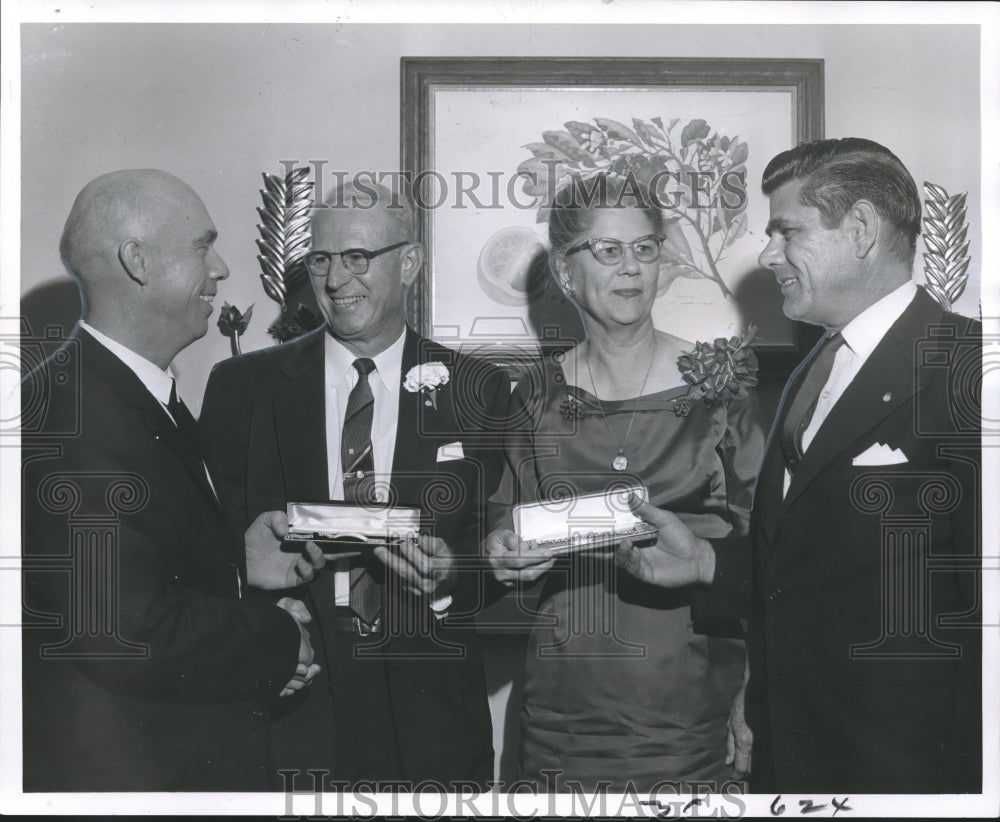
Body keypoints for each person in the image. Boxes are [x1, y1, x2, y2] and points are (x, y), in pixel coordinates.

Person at [616, 138, 982, 793]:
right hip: (795, 753)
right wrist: (707, 564)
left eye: (787, 231)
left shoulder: (967, 370)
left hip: (907, 773)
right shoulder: (816, 366)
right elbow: (811, 562)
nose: (767, 255)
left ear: (863, 229)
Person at [21, 169, 325, 792]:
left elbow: (138, 566)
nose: (221, 269)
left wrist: (238, 562)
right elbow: (123, 629)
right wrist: (276, 636)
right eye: (200, 246)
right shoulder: (70, 413)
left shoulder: (129, 393)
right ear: (137, 261)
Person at [199, 182, 511, 790]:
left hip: (434, 714)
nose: (336, 279)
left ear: (410, 263)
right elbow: (211, 547)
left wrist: (452, 575)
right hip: (294, 694)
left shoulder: (480, 389)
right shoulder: (243, 388)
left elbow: (497, 550)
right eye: (322, 259)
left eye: (357, 258)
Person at [484, 173, 765, 792]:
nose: (632, 268)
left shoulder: (720, 387)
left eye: (645, 247)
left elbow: (771, 557)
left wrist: (759, 691)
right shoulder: (533, 396)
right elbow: (505, 527)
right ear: (564, 271)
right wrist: (502, 549)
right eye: (608, 250)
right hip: (562, 714)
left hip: (696, 711)